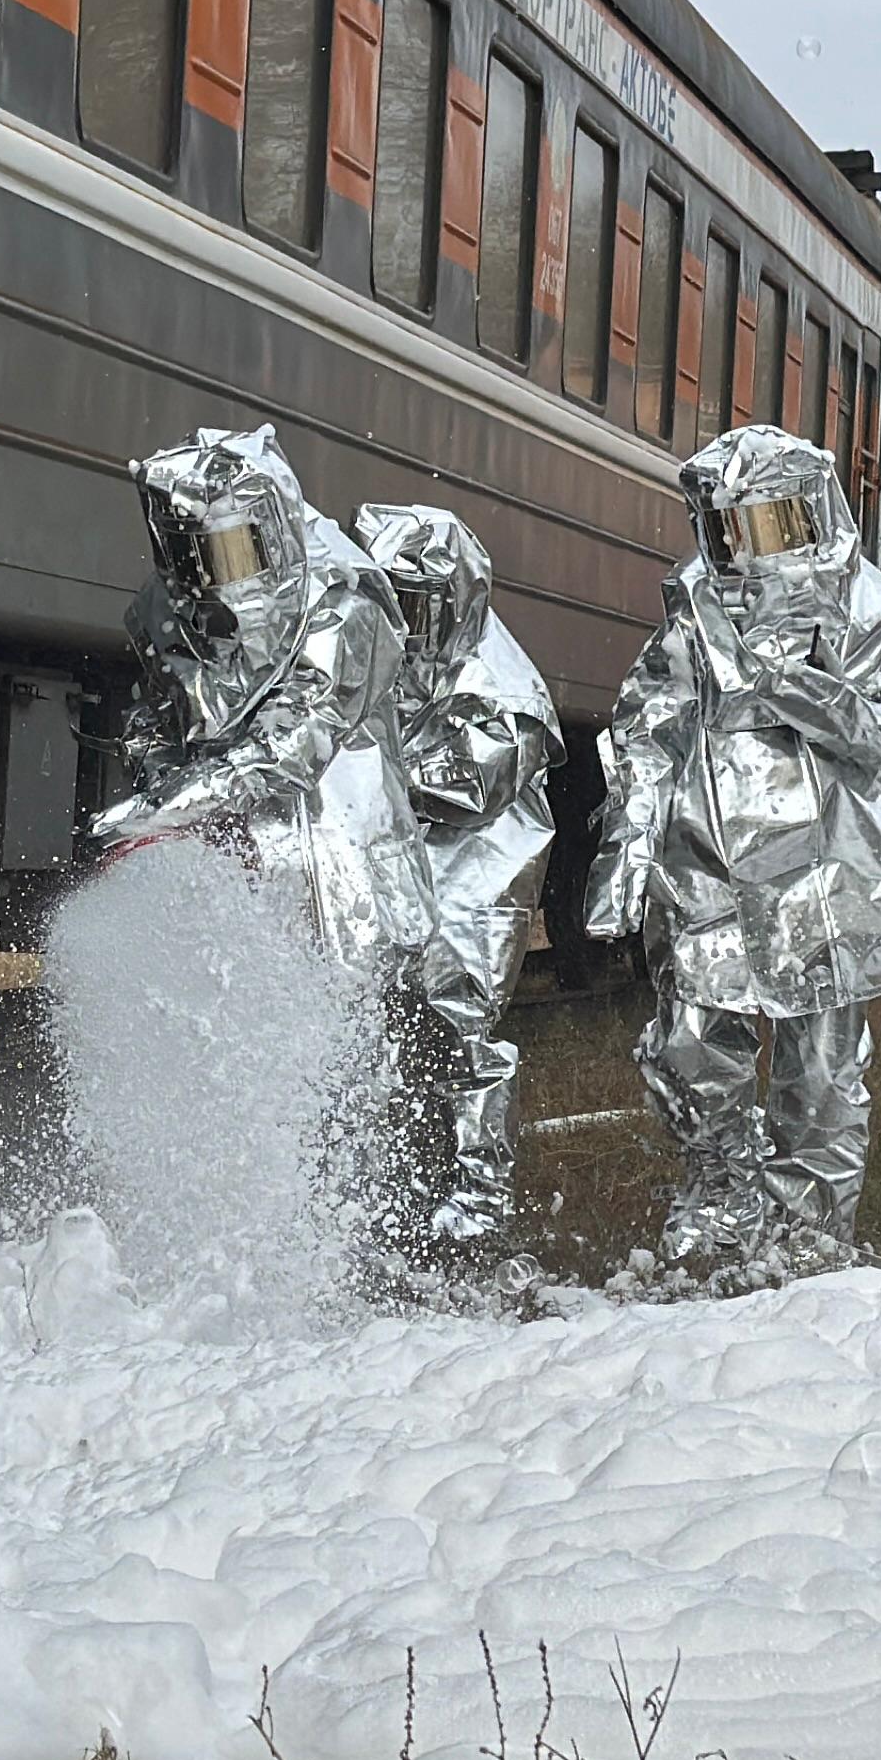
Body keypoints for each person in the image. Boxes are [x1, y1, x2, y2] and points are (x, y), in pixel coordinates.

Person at [583, 426, 881, 1268]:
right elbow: (647, 726)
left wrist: (817, 698)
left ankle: (808, 1234)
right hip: (710, 872)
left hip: (830, 883)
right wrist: (625, 852)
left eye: (773, 525)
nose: (755, 553)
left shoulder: (874, 610)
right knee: (690, 1044)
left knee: (821, 1068)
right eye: (735, 529)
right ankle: (720, 1201)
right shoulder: (694, 615)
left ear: (811, 515)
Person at [91, 425, 436, 985]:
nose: (215, 578)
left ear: (273, 531)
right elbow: (156, 715)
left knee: (354, 1044)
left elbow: (292, 746)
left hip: (343, 877)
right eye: (194, 555)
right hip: (239, 871)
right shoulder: (168, 607)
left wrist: (173, 805)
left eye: (233, 551)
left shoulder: (344, 604)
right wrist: (158, 790)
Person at [352, 503, 561, 1246]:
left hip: (477, 880)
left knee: (458, 1038)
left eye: (409, 602)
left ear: (450, 600)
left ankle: (474, 1207)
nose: (397, 621)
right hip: (405, 874)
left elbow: (471, 783)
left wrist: (369, 768)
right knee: (375, 1030)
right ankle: (387, 1192)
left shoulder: (502, 682)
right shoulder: (375, 655)